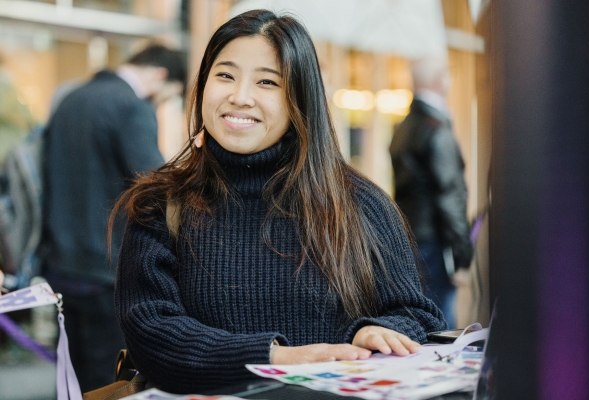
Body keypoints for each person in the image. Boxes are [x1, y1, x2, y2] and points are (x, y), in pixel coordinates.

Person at [111, 10, 446, 394]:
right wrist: (276, 358)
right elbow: (152, 332)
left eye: (267, 82)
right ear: (202, 85)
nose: (240, 97)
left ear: (299, 100)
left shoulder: (360, 203)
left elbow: (416, 314)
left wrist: (381, 332)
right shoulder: (160, 205)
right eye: (225, 75)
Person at [41, 44, 187, 392]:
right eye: (169, 96)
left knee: (73, 376)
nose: (161, 103)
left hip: (60, 263)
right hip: (108, 269)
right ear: (160, 75)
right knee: (109, 381)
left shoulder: (70, 98)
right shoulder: (131, 107)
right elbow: (154, 185)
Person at [389, 56, 473, 329]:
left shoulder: (402, 128)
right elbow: (450, 195)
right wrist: (463, 252)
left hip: (407, 237)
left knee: (418, 317)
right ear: (440, 80)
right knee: (442, 322)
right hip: (435, 241)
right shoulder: (436, 129)